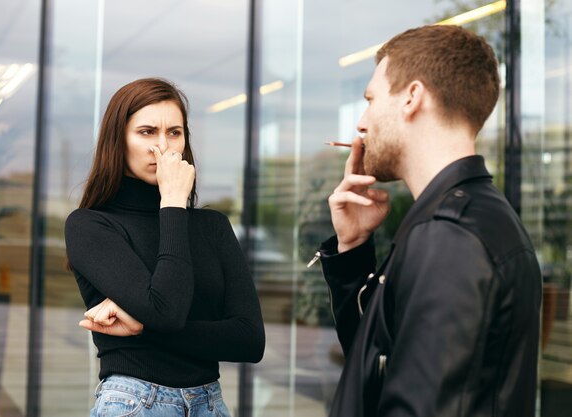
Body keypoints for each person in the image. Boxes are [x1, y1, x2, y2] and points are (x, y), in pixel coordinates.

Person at [317, 25, 541, 416]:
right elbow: (378, 371)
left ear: (412, 98)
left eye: (370, 99)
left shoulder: (450, 236)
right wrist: (352, 250)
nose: (361, 123)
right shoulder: (468, 218)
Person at [64, 77, 265, 417]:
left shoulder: (211, 226)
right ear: (119, 141)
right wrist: (172, 201)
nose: (164, 146)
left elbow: (248, 340)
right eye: (146, 132)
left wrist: (141, 327)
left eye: (174, 132)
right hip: (134, 401)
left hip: (210, 404)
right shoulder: (90, 225)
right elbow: (167, 311)